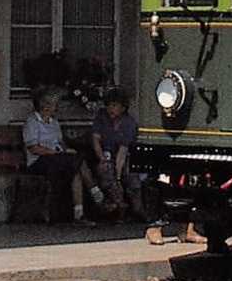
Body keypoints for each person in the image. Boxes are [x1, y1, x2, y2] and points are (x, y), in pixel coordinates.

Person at [22, 86, 104, 224]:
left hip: (56, 158)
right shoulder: (32, 122)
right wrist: (54, 152)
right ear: (45, 106)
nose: (57, 107)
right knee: (77, 162)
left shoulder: (54, 122)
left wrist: (65, 150)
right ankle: (97, 194)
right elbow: (34, 148)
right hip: (39, 161)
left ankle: (79, 213)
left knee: (76, 170)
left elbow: (61, 142)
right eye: (55, 104)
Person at [90, 87, 142, 221]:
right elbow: (95, 139)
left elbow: (123, 152)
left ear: (123, 107)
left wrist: (118, 177)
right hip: (105, 154)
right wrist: (102, 159)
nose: (110, 109)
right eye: (108, 105)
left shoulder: (129, 123)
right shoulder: (102, 117)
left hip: (125, 156)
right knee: (105, 172)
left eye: (114, 105)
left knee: (130, 175)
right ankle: (119, 205)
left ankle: (139, 209)